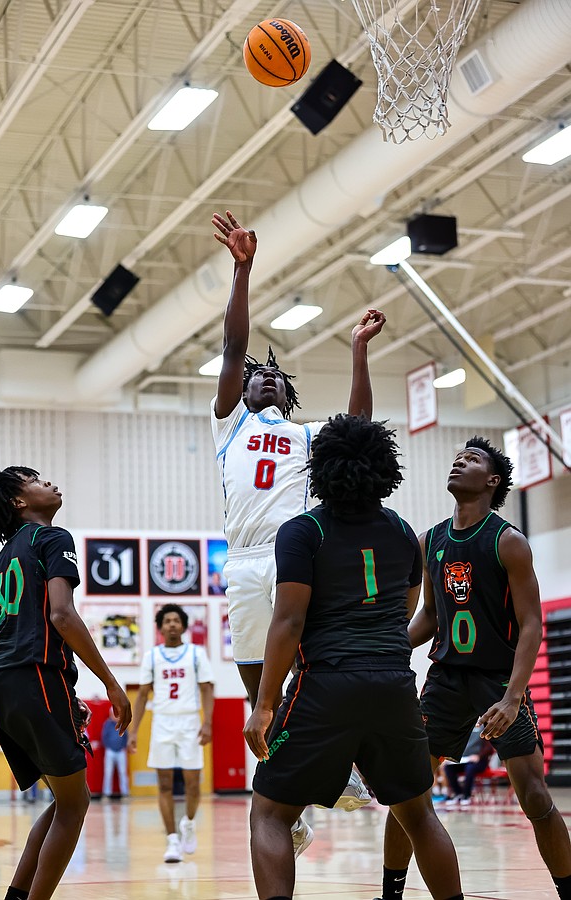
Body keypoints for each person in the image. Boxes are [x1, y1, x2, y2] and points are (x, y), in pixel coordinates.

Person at [210, 210, 385, 835]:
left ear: (287, 396)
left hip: (294, 552)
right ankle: (293, 801)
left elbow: (358, 429)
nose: (261, 377)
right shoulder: (229, 424)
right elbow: (234, 347)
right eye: (254, 376)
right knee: (257, 686)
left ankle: (342, 767)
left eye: (273, 377)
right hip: (241, 557)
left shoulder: (308, 436)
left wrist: (358, 351)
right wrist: (243, 271)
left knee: (311, 668)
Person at [243, 414, 464, 900]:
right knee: (419, 814)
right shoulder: (403, 531)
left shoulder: (303, 530)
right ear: (384, 467)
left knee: (270, 812)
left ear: (319, 467)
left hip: (325, 684)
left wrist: (264, 704)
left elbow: (289, 621)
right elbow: (403, 613)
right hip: (394, 685)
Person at [378, 437, 571, 900]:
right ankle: (390, 894)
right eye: (457, 457)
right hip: (445, 678)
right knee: (408, 791)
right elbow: (431, 615)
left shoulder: (508, 541)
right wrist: (386, 648)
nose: (459, 461)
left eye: (472, 459)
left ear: (492, 481)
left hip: (497, 680)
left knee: (535, 796)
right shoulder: (430, 540)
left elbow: (531, 624)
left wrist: (513, 697)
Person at [0, 466, 132, 900]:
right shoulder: (52, 538)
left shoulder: (0, 560)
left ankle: (17, 894)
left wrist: (58, 694)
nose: (51, 483)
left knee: (66, 797)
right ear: (19, 502)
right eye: (36, 481)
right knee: (75, 803)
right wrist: (111, 683)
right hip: (32, 675)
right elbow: (61, 615)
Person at [128, 603, 214, 864]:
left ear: (184, 626)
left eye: (177, 620)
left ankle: (188, 822)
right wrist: (134, 731)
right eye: (167, 621)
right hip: (162, 722)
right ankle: (172, 840)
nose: (172, 624)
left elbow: (207, 689)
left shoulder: (196, 654)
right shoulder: (151, 656)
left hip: (189, 721)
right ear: (161, 627)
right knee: (164, 784)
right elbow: (142, 695)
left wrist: (207, 723)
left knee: (192, 782)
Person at [442, 723, 492, 806]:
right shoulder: (463, 728)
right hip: (464, 760)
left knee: (470, 768)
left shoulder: (484, 728)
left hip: (479, 761)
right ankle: (458, 794)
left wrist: (479, 756)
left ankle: (466, 795)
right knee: (448, 768)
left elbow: (489, 748)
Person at [102, 705, 130, 798]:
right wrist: (108, 746)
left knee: (123, 772)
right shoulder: (107, 724)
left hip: (121, 751)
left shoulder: (123, 724)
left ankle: (125, 793)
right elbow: (104, 737)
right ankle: (107, 794)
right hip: (110, 751)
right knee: (108, 772)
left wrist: (123, 747)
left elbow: (126, 737)